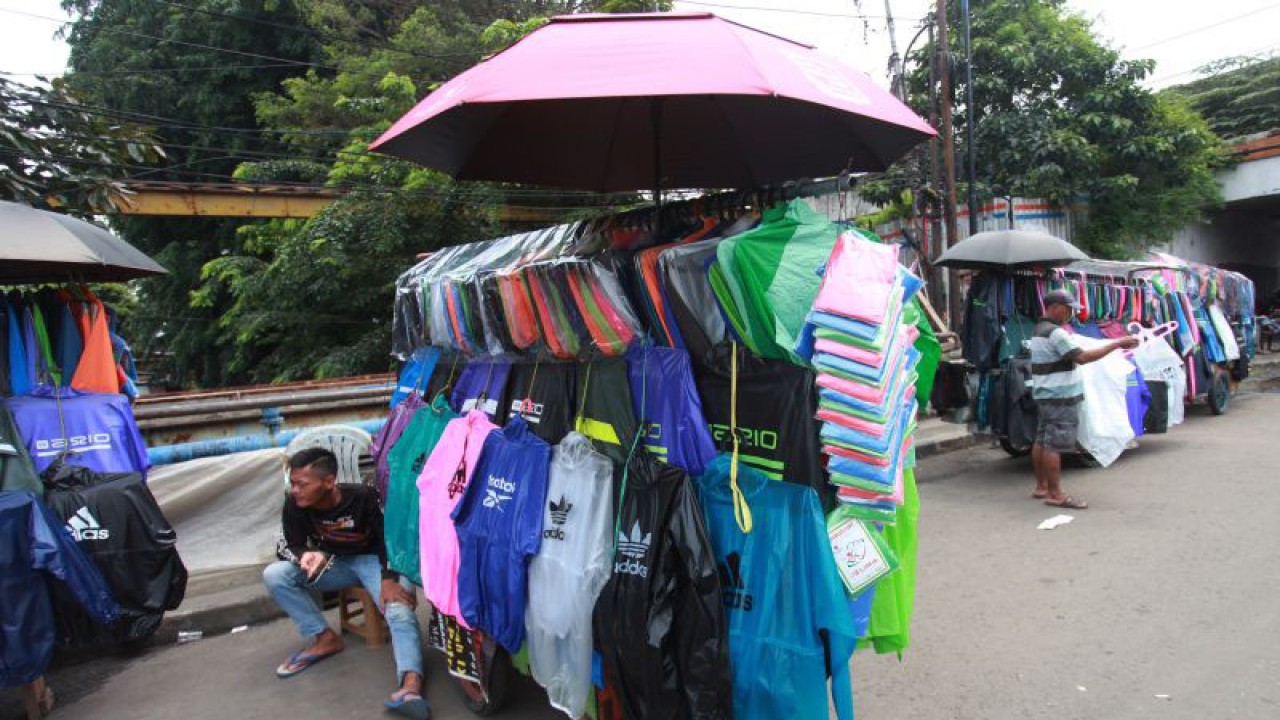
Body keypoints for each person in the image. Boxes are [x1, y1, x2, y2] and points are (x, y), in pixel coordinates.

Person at [262, 447, 430, 720]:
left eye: (301, 484)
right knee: (275, 575)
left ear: (329, 482)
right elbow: (288, 544)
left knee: (399, 610)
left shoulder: (363, 497)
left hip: (374, 561)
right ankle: (324, 638)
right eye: (292, 483)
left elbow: (390, 539)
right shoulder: (294, 503)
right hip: (334, 563)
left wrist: (388, 579)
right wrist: (306, 555)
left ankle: (410, 683)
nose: (295, 490)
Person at [1030, 290, 1139, 510]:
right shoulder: (1056, 333)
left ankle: (1041, 486)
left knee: (1042, 440)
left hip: (1045, 394)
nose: (1070, 313)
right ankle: (1055, 494)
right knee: (1054, 444)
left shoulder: (1038, 329)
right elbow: (1082, 358)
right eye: (1067, 308)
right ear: (1054, 307)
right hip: (1060, 397)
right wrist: (1116, 344)